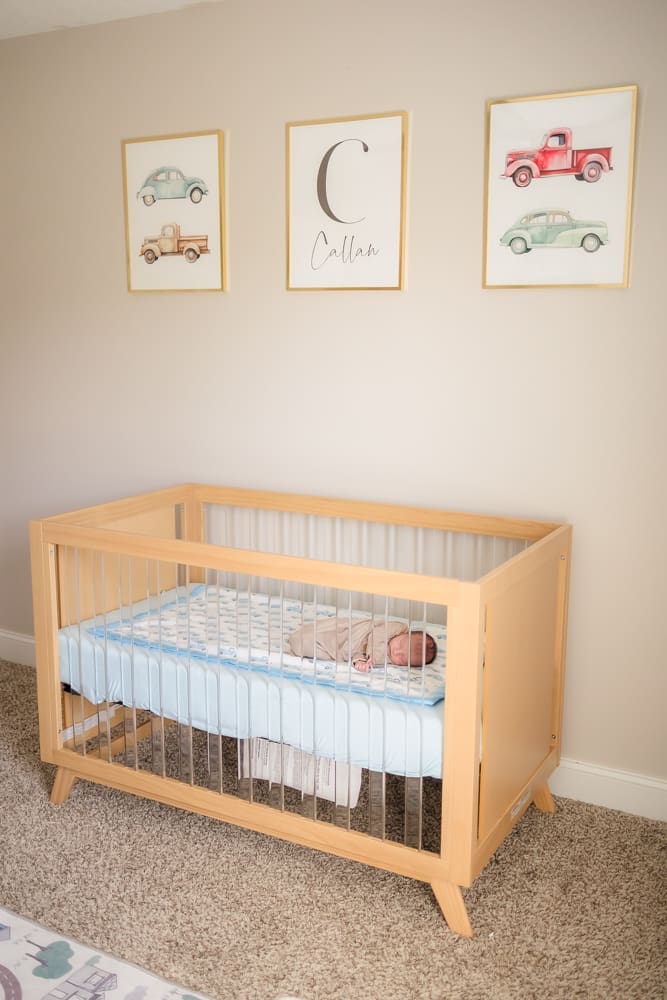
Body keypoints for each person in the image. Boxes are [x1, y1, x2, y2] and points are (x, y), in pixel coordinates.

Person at [288, 617, 437, 673]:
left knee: (307, 645)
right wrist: (373, 658)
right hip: (352, 633)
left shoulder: (389, 659)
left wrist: (359, 661)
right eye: (401, 644)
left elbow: (360, 653)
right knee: (326, 630)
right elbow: (376, 634)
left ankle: (300, 641)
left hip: (347, 649)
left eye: (403, 658)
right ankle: (301, 636)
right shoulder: (399, 628)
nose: (396, 652)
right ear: (406, 635)